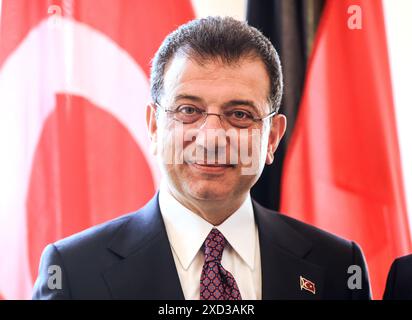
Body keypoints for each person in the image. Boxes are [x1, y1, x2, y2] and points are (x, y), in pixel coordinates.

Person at [33, 16, 370, 300]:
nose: (211, 138)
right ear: (154, 126)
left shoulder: (338, 267)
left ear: (271, 137)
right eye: (188, 110)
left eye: (239, 114)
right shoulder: (73, 273)